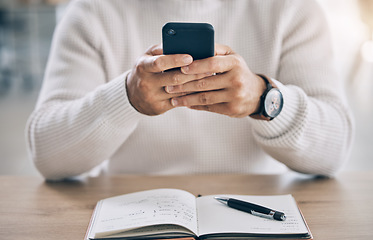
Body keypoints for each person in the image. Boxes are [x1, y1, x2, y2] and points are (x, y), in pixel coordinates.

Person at [26, 0, 354, 180]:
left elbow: (333, 151)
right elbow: (49, 157)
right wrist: (127, 98)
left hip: (255, 213)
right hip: (131, 214)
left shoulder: (294, 9)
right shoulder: (90, 12)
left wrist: (262, 97)